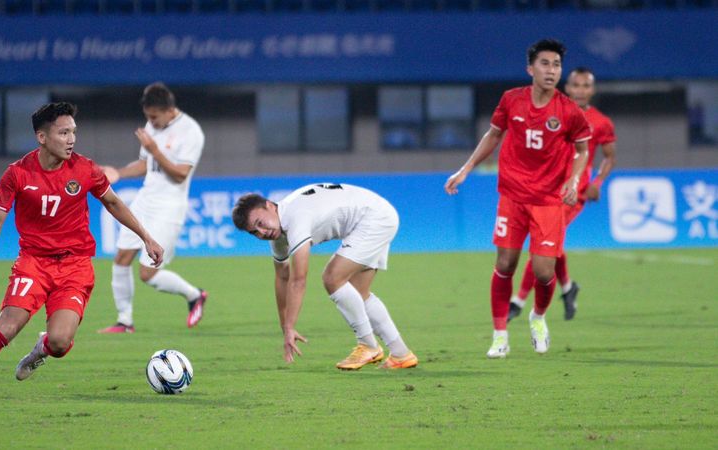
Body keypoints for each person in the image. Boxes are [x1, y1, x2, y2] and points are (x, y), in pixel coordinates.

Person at [0, 102, 163, 399]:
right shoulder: (17, 174)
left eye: (73, 132)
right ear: (42, 138)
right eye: (63, 132)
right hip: (33, 263)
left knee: (59, 342)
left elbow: (114, 203)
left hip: (75, 266)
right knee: (8, 326)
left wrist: (146, 237)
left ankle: (41, 349)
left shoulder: (85, 169)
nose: (71, 139)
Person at [444, 39, 591, 358]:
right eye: (545, 64)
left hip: (549, 201)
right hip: (512, 196)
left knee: (543, 273)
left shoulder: (568, 111)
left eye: (556, 65)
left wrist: (574, 178)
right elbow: (493, 134)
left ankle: (538, 317)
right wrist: (466, 169)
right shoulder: (511, 100)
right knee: (505, 263)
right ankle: (500, 335)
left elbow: (582, 149)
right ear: (530, 69)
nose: (551, 70)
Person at [232, 183, 418, 370]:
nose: (262, 232)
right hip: (375, 215)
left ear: (270, 206)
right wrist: (285, 327)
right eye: (254, 232)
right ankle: (401, 354)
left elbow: (298, 280)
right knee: (358, 293)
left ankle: (368, 345)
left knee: (332, 277)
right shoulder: (278, 233)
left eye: (260, 223)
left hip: (374, 218)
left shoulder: (295, 217)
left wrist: (290, 326)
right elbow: (282, 278)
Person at [97, 82, 207, 334]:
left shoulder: (191, 132)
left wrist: (155, 150)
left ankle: (195, 295)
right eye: (147, 117)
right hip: (145, 200)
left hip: (169, 207)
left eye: (154, 117)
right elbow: (145, 164)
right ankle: (125, 322)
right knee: (121, 258)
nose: (151, 122)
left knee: (148, 273)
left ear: (169, 110)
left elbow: (180, 174)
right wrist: (119, 172)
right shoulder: (152, 125)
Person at [509, 67, 617, 322]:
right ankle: (568, 288)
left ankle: (518, 301)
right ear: (567, 88)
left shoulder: (601, 122)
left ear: (592, 89)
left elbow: (610, 157)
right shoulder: (553, 112)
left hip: (572, 194)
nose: (580, 90)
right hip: (545, 189)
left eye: (586, 86)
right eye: (576, 85)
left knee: (541, 248)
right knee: (551, 246)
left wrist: (598, 182)